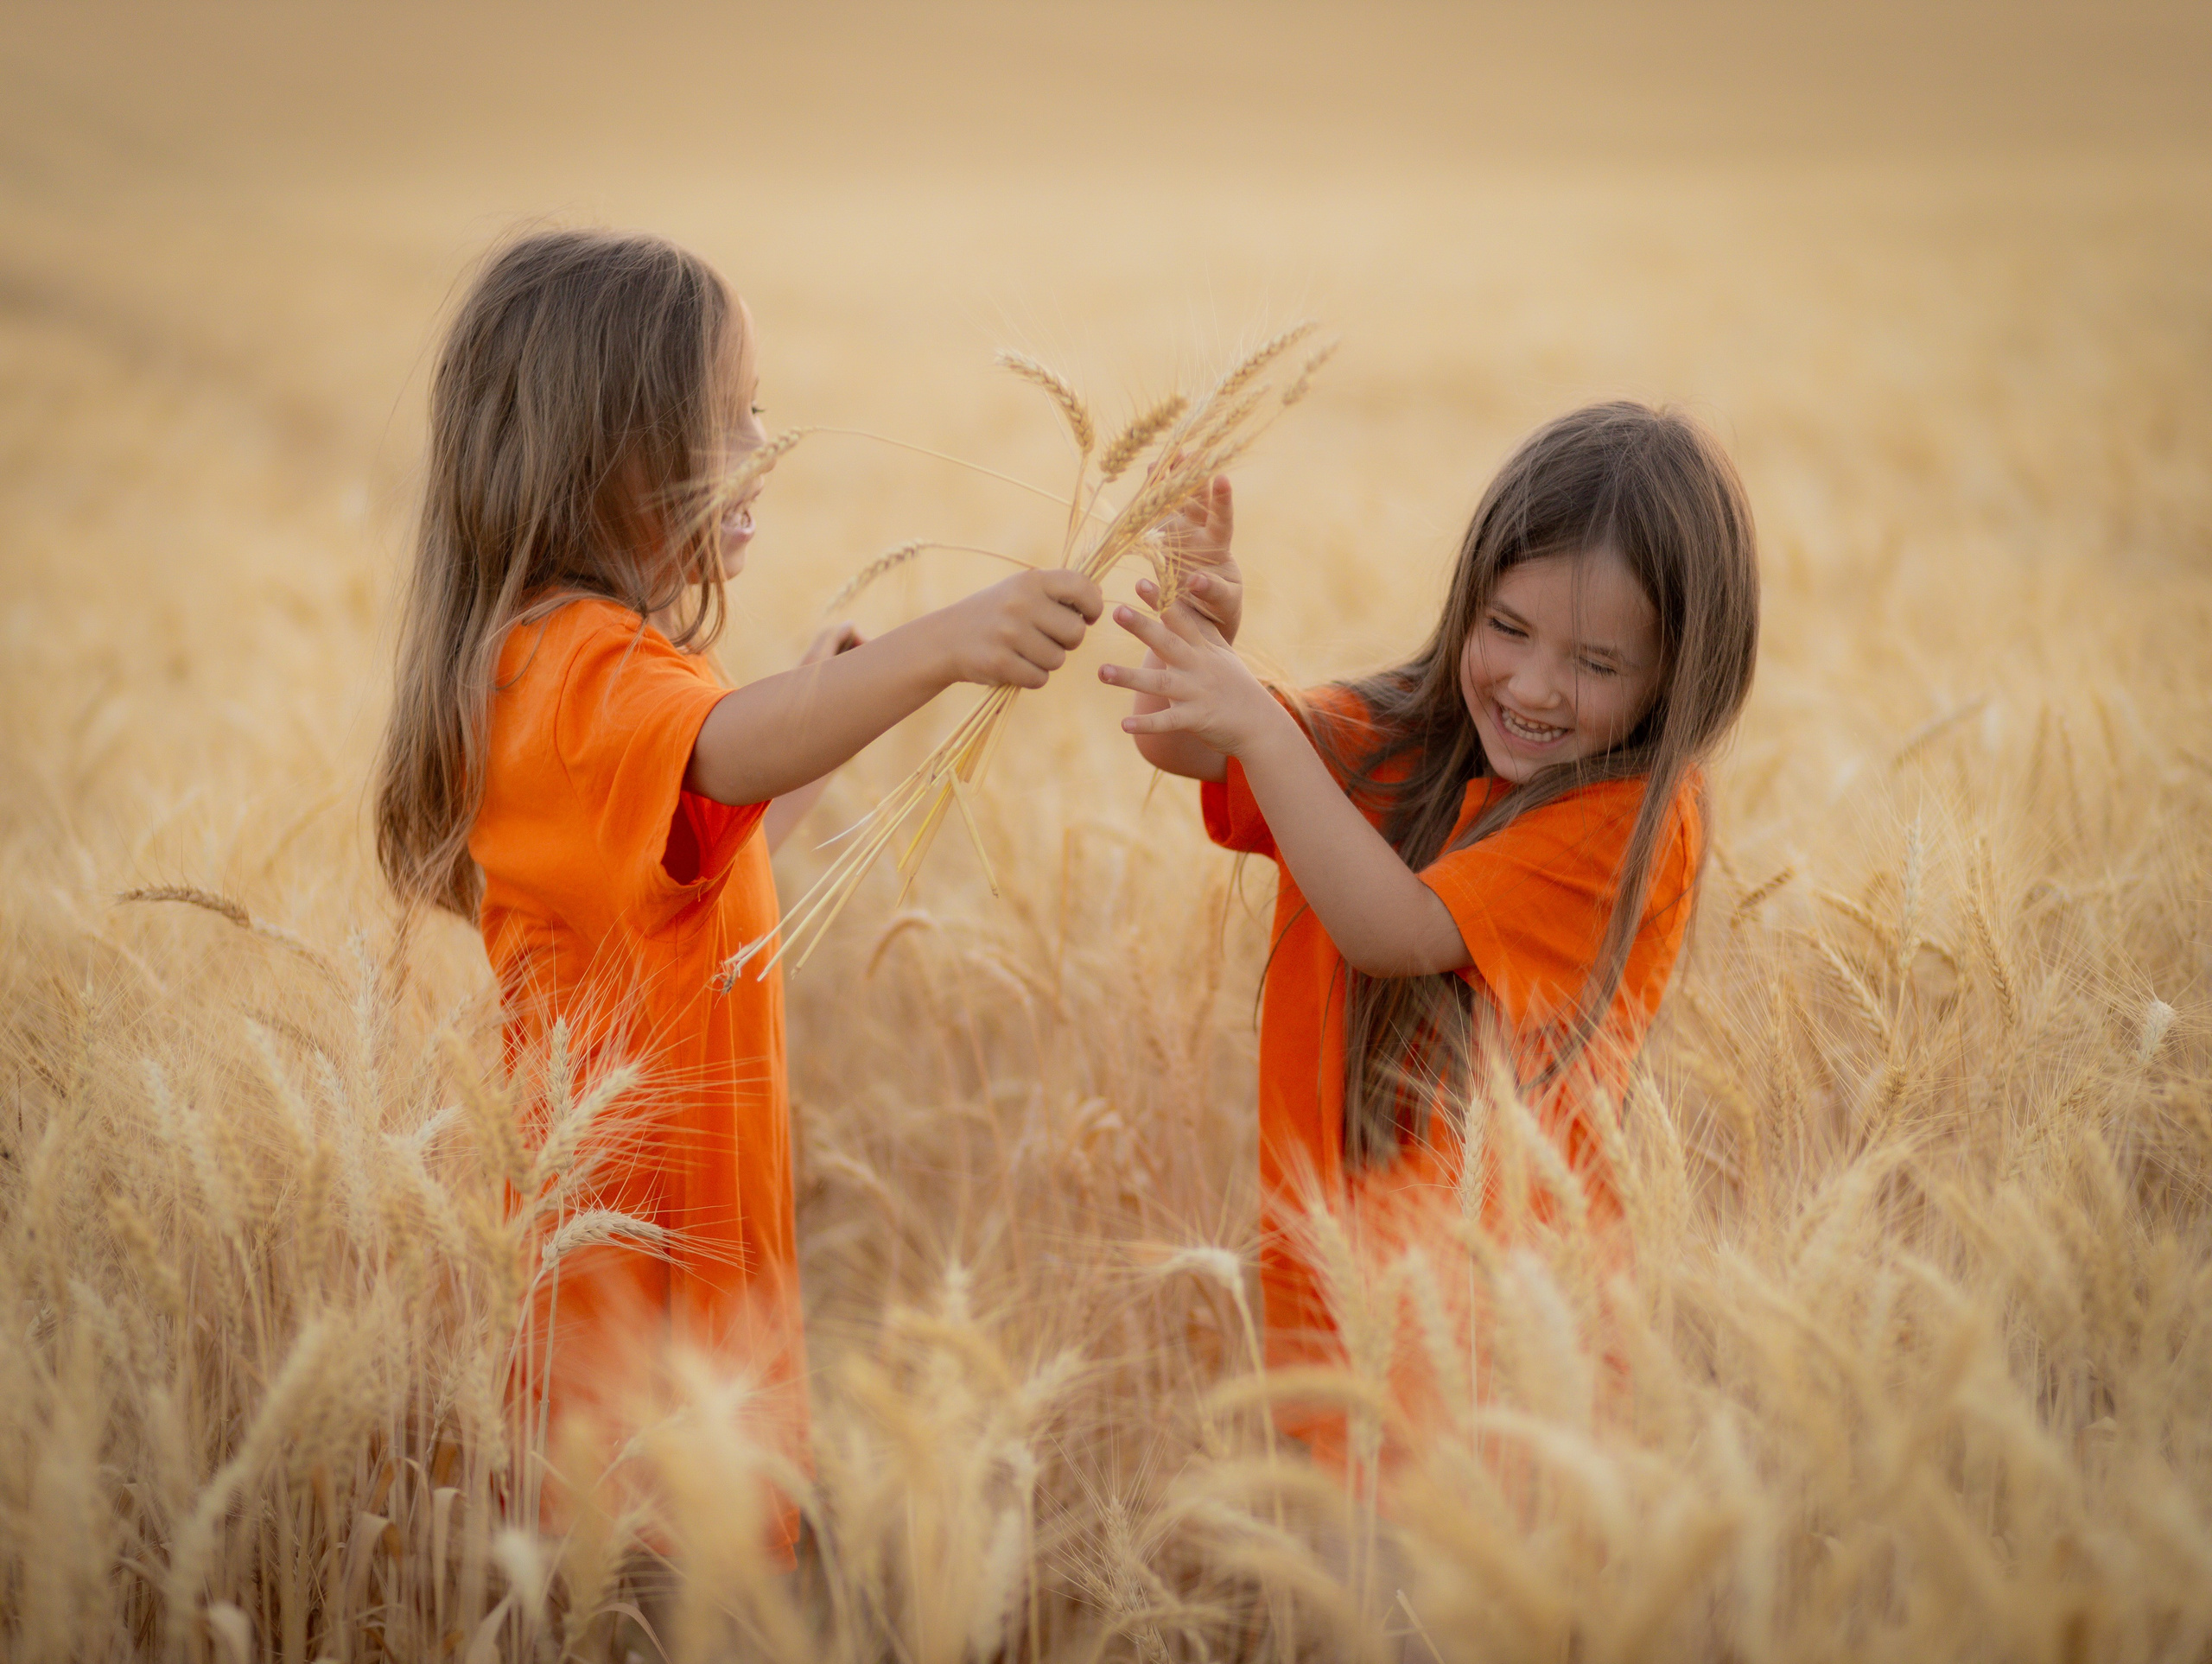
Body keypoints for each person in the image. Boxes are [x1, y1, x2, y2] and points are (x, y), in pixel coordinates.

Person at [372, 228, 1102, 1552]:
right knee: (659, 1577)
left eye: (758, 408)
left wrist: (828, 710)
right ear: (604, 460)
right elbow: (716, 750)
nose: (765, 446)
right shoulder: (568, 671)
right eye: (724, 421)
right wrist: (943, 645)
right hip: (628, 1288)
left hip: (692, 1255)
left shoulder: (599, 676)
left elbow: (700, 849)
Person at [1100, 403, 1759, 1468]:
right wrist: (1199, 640)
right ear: (1468, 604)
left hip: (1501, 1351)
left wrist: (1257, 722)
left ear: (1677, 672)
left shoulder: (1630, 825)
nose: (1533, 686)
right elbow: (1190, 747)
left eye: (1595, 663)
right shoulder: (1413, 734)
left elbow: (1393, 931)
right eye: (1506, 629)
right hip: (1338, 1303)